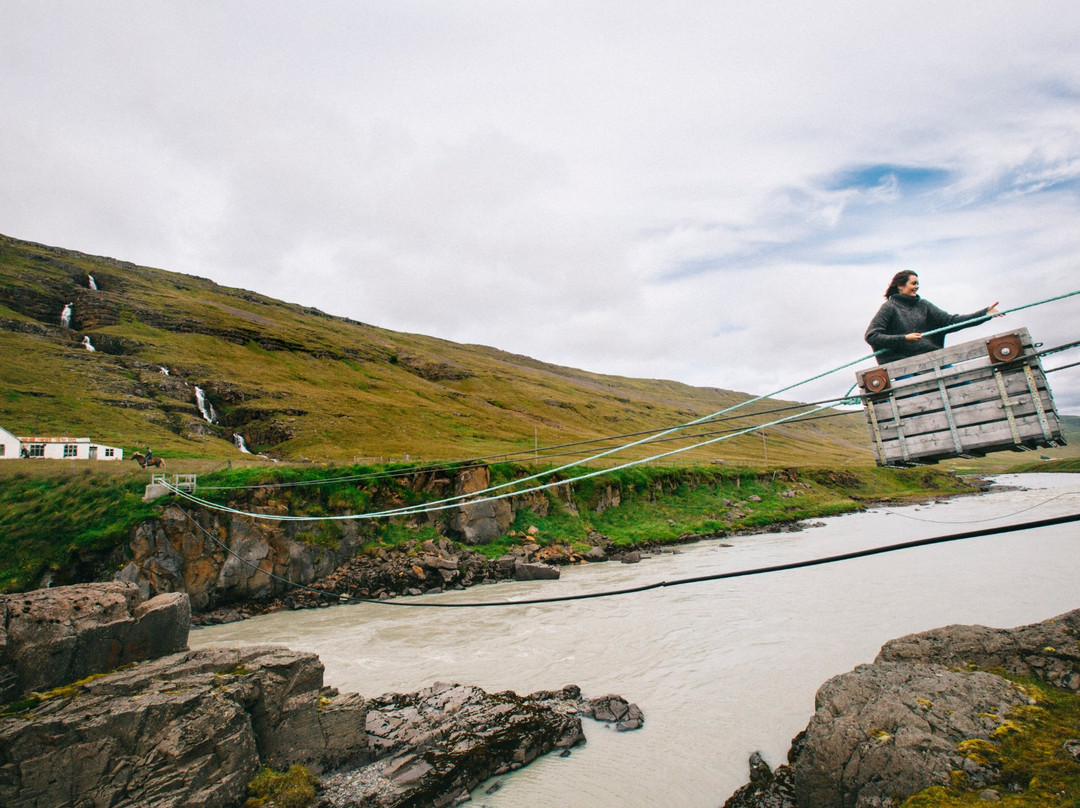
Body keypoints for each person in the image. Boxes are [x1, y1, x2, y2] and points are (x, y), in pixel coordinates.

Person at [865, 271, 1000, 365]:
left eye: (918, 283)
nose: (917, 287)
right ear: (900, 286)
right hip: (904, 365)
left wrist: (984, 314)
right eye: (913, 283)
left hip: (933, 358)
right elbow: (872, 336)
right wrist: (904, 338)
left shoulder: (924, 305)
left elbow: (951, 322)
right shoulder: (889, 307)